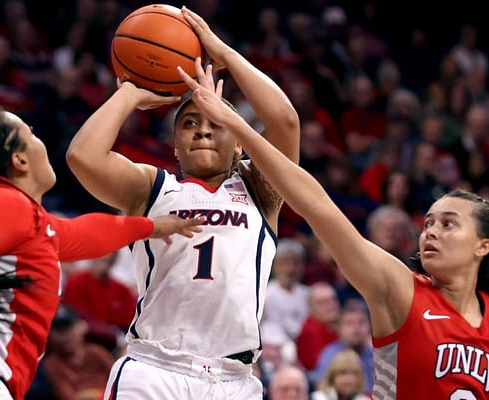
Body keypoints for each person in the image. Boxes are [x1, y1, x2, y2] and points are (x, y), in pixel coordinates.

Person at [178, 61, 489, 399]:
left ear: (483, 246)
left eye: (448, 224)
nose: (430, 233)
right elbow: (317, 205)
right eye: (428, 224)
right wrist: (236, 123)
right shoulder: (399, 287)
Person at [0, 108, 204, 400]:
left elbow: (86, 233)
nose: (37, 137)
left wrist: (153, 226)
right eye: (30, 132)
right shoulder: (3, 200)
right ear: (20, 159)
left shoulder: (23, 221)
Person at [66, 7, 300, 399]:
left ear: (240, 139)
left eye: (216, 122)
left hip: (234, 380)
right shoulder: (153, 187)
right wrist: (130, 91)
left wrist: (224, 55)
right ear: (174, 145)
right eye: (189, 123)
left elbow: (286, 122)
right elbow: (83, 157)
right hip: (154, 368)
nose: (203, 130)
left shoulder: (262, 190)